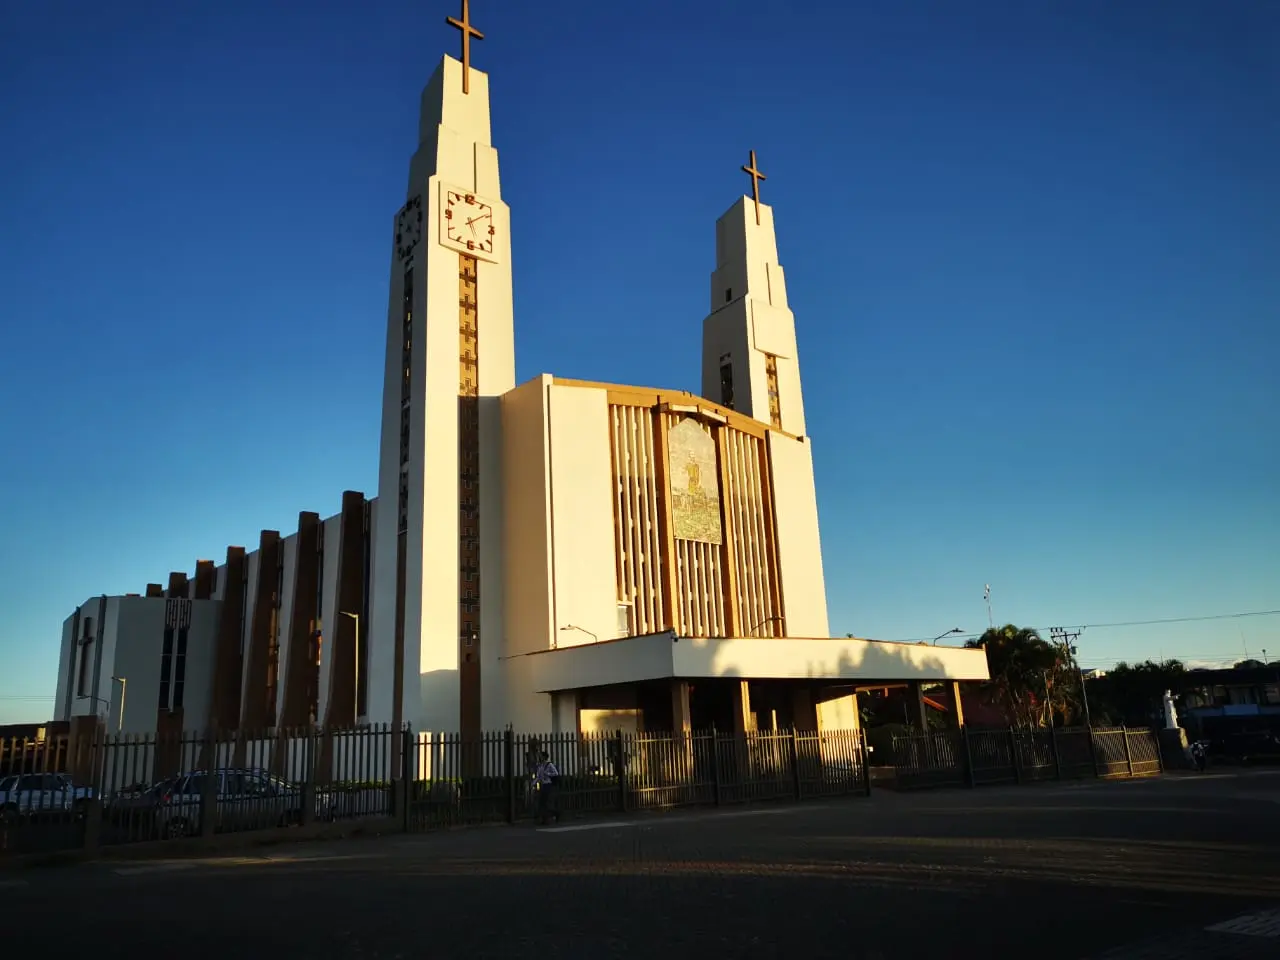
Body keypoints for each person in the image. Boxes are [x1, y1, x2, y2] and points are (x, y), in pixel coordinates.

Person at [533, 751, 560, 825]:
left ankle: (554, 815)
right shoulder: (540, 766)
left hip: (548, 785)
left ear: (544, 757)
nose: (539, 758)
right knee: (542, 803)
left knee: (547, 802)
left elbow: (556, 773)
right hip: (542, 785)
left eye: (541, 756)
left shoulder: (549, 764)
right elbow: (538, 776)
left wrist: (547, 774)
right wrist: (534, 783)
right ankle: (544, 819)